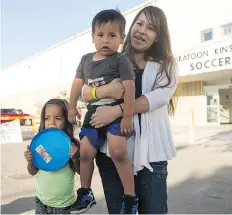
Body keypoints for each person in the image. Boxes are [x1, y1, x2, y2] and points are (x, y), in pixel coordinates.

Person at [80, 5, 178, 214]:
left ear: (158, 37)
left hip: (151, 154)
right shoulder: (111, 58)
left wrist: (117, 111)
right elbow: (83, 92)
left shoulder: (165, 64)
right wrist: (105, 90)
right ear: (130, 28)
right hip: (111, 152)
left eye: (150, 28)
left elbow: (158, 98)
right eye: (139, 23)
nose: (142, 30)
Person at [68, 9, 138, 214]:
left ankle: (130, 197)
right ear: (92, 37)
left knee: (118, 152)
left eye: (112, 35)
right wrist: (72, 106)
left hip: (116, 113)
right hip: (93, 113)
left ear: (121, 38)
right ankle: (85, 193)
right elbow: (76, 85)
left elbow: (130, 87)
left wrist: (127, 116)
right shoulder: (85, 60)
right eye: (100, 35)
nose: (105, 40)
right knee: (86, 152)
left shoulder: (120, 60)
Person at [24, 99, 80, 214]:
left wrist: (74, 158)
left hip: (64, 206)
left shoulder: (72, 145)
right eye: (47, 118)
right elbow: (33, 171)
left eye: (58, 118)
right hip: (41, 203)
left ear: (67, 121)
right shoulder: (40, 145)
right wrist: (30, 161)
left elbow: (81, 172)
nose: (52, 122)